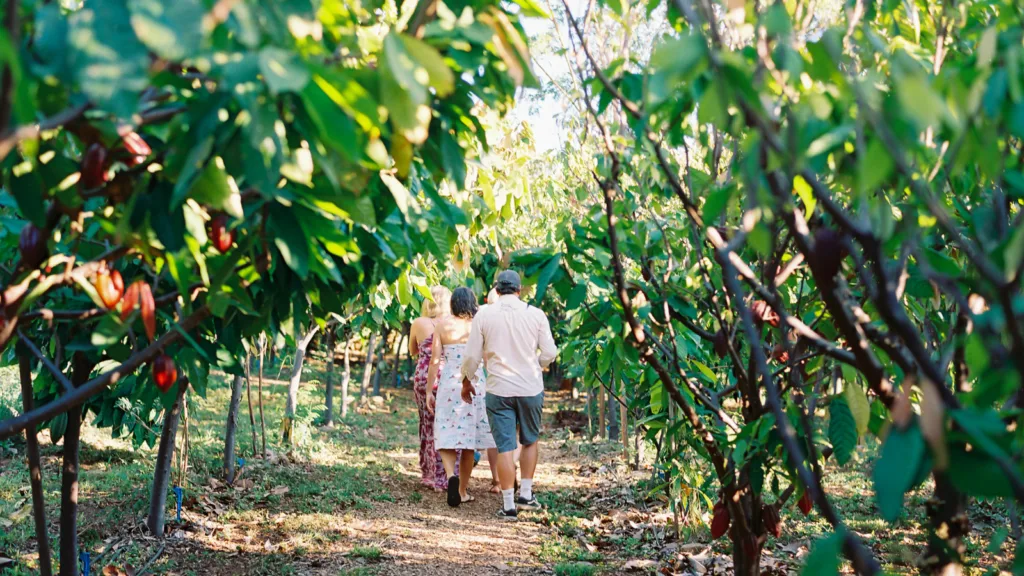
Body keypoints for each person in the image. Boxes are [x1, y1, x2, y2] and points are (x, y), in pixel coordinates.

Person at [461, 270, 557, 520]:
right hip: (529, 387)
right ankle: (526, 493)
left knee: (505, 446)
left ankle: (509, 505)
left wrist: (466, 381)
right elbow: (550, 352)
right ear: (519, 290)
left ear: (496, 289)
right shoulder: (536, 314)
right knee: (530, 440)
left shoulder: (484, 314)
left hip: (498, 388)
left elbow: (471, 356)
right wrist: (536, 364)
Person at [426, 287, 496, 507]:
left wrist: (429, 390)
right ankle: (463, 490)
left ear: (453, 304)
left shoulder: (442, 326)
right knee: (469, 441)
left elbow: (435, 361)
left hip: (449, 383)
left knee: (446, 432)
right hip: (475, 383)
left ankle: (450, 477)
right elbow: (486, 358)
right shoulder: (479, 325)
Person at [410, 285, 452, 492]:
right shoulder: (453, 324)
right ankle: (447, 473)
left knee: (427, 424)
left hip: (424, 377)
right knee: (447, 425)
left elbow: (412, 350)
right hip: (447, 378)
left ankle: (429, 473)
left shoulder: (419, 323)